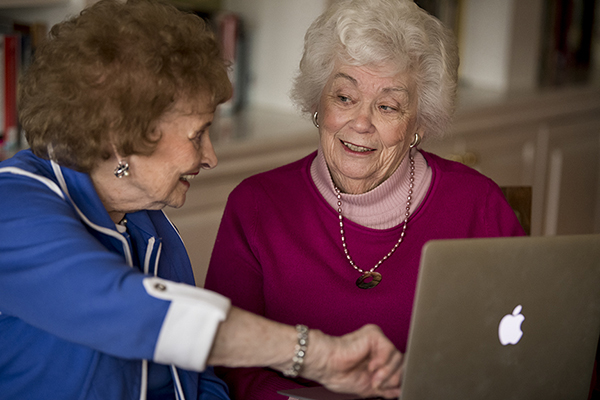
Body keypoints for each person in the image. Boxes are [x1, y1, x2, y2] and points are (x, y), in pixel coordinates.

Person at [0, 1, 404, 399]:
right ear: (119, 138)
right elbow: (130, 311)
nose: (210, 156)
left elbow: (195, 378)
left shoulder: (147, 222)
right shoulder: (12, 208)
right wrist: (313, 354)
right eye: (197, 134)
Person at [204, 0, 526, 398]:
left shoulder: (477, 204)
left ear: (419, 124)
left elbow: (530, 351)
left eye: (388, 106)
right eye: (344, 97)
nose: (360, 122)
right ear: (318, 104)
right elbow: (227, 367)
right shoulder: (256, 206)